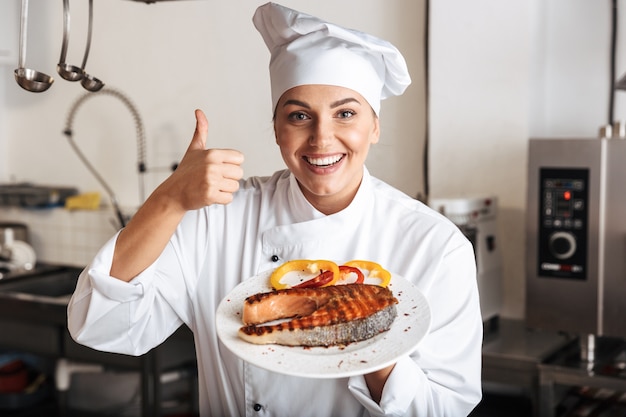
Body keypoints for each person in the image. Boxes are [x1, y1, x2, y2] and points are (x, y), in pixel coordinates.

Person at [67, 2, 482, 416]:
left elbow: (444, 408)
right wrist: (169, 199)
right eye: (299, 115)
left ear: (374, 126)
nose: (322, 138)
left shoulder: (434, 245)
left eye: (346, 114)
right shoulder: (219, 216)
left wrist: (371, 342)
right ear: (277, 130)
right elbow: (101, 325)